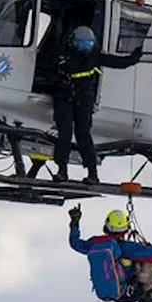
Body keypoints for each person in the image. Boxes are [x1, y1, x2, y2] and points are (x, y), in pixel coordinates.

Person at [51, 25, 143, 183]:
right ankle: (62, 171)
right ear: (73, 42)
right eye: (82, 45)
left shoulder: (95, 56)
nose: (85, 49)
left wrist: (135, 56)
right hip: (63, 97)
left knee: (83, 135)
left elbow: (119, 62)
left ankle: (92, 174)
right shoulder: (61, 53)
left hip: (83, 99)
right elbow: (47, 68)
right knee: (64, 135)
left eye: (87, 45)